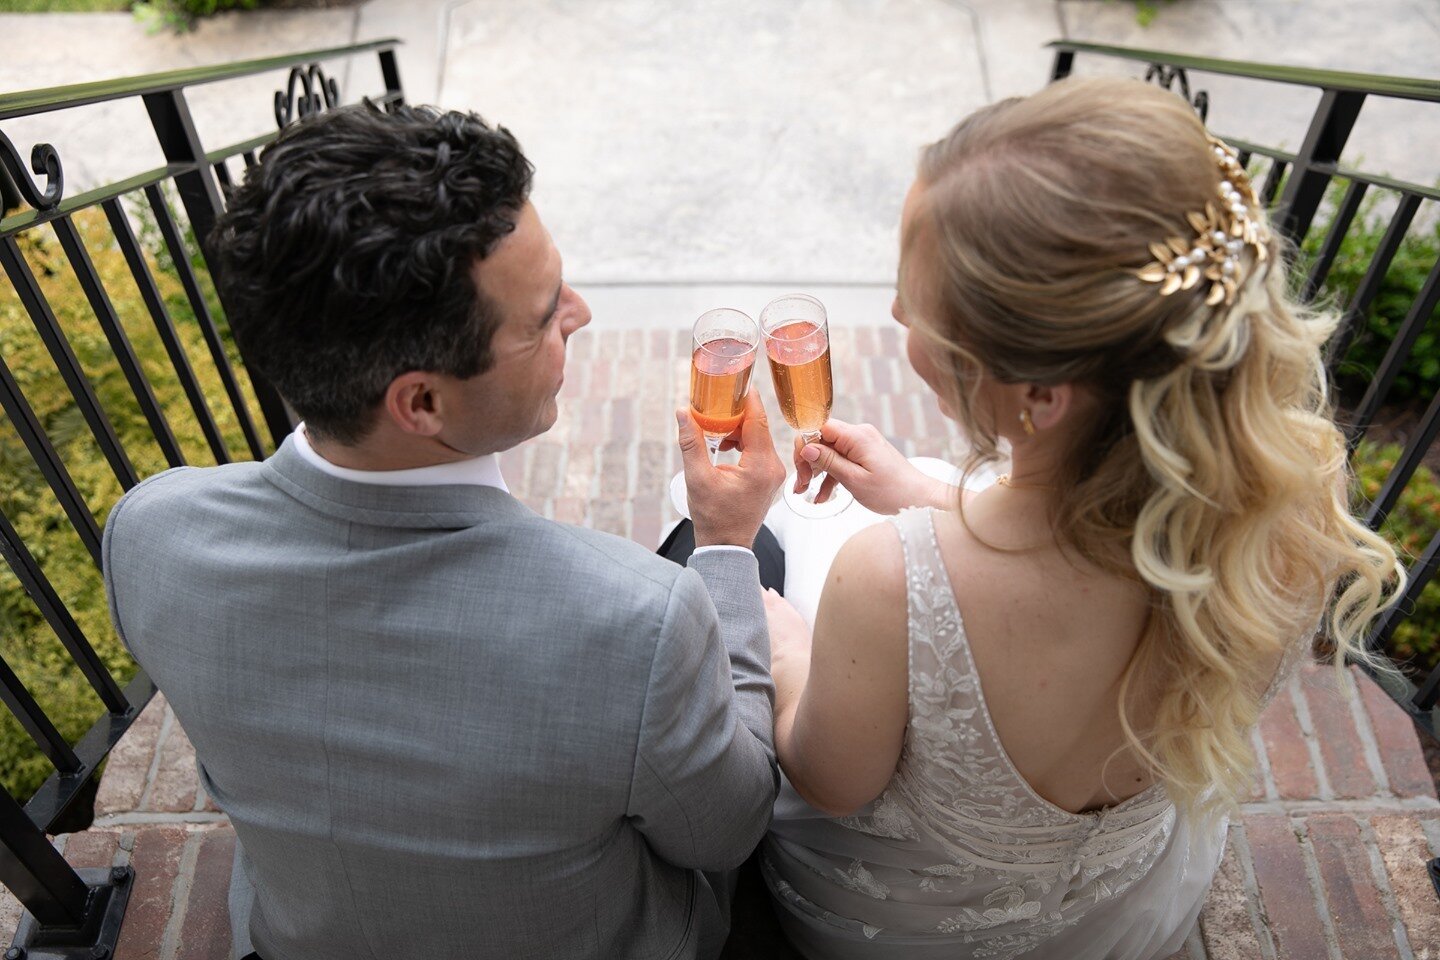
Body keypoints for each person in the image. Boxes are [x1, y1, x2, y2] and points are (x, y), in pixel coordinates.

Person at [731, 76, 1402, 959]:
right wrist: (933, 498)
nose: (895, 313)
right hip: (1129, 900)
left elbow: (830, 783)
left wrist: (770, 635)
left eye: (919, 306)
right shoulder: (1291, 504)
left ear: (1040, 396)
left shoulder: (888, 582)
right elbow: (1089, 555)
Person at [101, 102, 785, 960]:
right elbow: (727, 833)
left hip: (298, 938)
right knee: (763, 563)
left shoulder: (149, 535)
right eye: (540, 318)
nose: (578, 313)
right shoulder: (635, 620)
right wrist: (724, 548)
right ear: (421, 403)